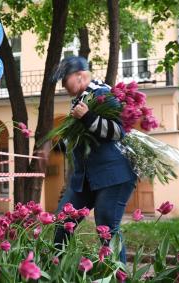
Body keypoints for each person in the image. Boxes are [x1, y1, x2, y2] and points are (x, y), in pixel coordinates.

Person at [52, 56, 137, 263]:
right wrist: (59, 146)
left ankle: (119, 275)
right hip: (85, 179)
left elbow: (119, 131)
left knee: (107, 228)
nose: (62, 85)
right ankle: (55, 270)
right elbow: (86, 138)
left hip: (112, 176)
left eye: (65, 79)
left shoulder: (103, 93)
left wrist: (88, 117)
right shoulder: (79, 100)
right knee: (63, 221)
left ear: (80, 76)